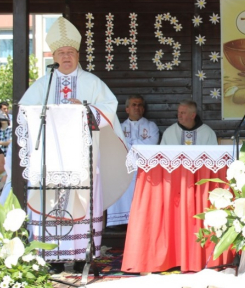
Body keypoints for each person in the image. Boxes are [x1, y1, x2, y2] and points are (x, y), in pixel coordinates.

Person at [19, 16, 129, 273]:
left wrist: (86, 109)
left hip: (83, 159)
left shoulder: (92, 83)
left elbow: (109, 110)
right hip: (50, 159)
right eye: (61, 52)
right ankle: (52, 257)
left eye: (70, 52)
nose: (66, 57)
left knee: (82, 201)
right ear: (54, 56)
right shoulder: (42, 85)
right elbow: (25, 112)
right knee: (51, 203)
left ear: (78, 55)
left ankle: (82, 256)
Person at [122, 100, 217, 274]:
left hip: (199, 186)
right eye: (178, 112)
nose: (179, 115)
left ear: (192, 115)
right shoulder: (171, 131)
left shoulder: (207, 132)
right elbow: (163, 158)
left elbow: (213, 160)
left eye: (182, 113)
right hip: (175, 186)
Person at [107, 95, 159, 229]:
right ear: (127, 109)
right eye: (134, 105)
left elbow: (152, 144)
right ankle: (121, 224)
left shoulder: (151, 126)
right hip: (124, 168)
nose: (137, 108)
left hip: (144, 168)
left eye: (140, 105)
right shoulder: (119, 127)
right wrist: (137, 145)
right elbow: (117, 146)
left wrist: (131, 144)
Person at [0, 101, 11, 190]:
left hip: (8, 154)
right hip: (2, 154)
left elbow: (10, 142)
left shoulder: (10, 129)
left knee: (6, 170)